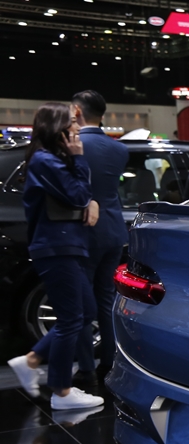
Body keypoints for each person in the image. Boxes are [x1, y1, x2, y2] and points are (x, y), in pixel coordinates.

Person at [6, 103, 104, 410]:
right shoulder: (45, 160)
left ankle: (32, 359)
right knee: (72, 317)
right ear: (57, 128)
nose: (77, 129)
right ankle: (61, 391)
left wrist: (90, 199)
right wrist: (79, 159)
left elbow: (79, 196)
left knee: (85, 312)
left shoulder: (51, 160)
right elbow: (78, 195)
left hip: (66, 246)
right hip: (56, 247)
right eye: (71, 123)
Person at [71, 90, 128, 387]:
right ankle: (109, 361)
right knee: (106, 300)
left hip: (83, 230)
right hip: (114, 230)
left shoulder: (73, 145)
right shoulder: (119, 149)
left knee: (80, 303)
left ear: (77, 111)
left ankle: (85, 368)